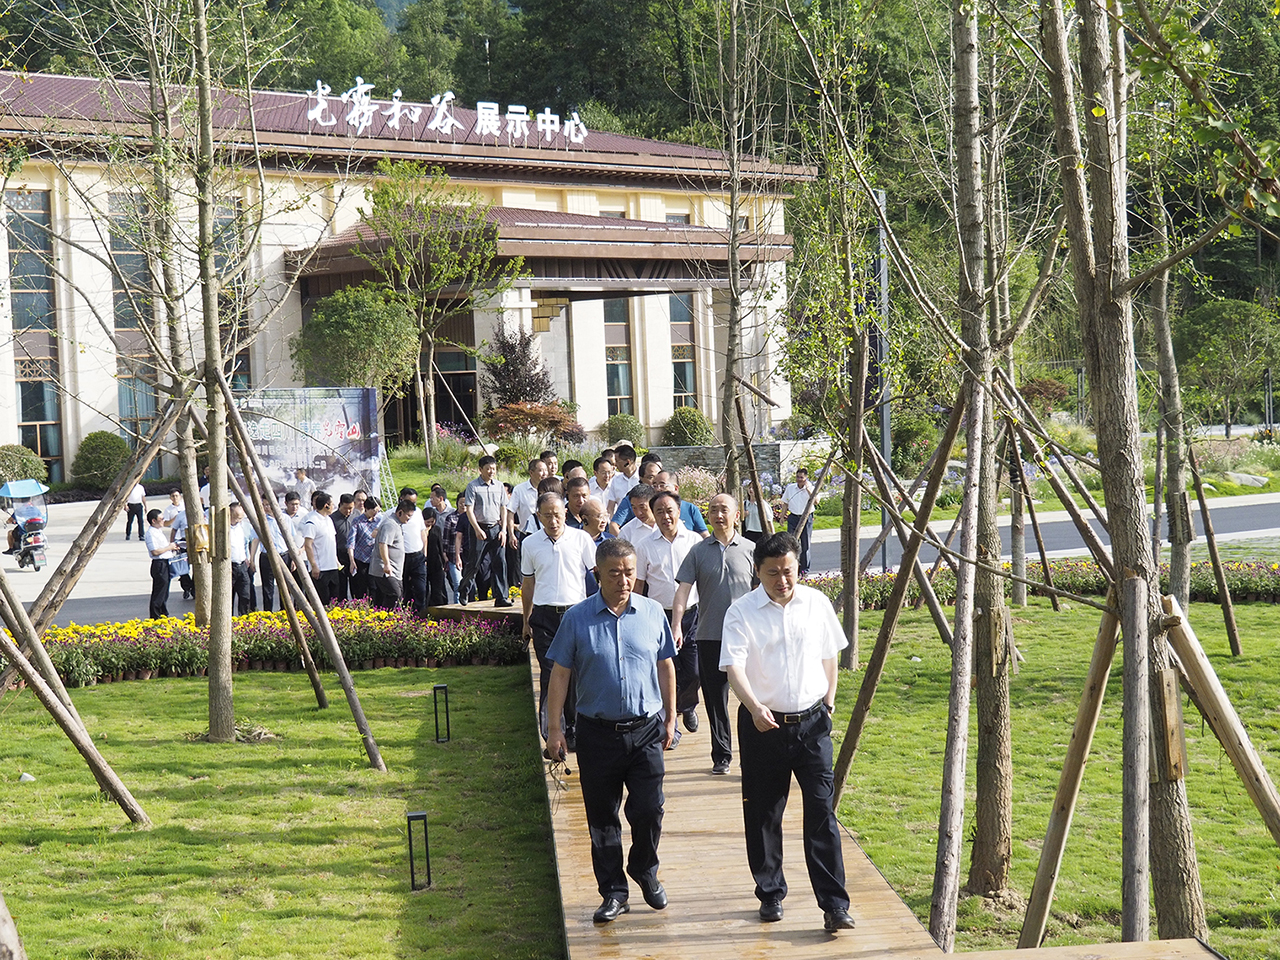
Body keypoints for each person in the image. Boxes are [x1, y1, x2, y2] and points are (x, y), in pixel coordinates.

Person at [719, 531, 855, 932]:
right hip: (764, 725)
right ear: (758, 572)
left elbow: (829, 654)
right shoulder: (741, 612)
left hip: (813, 725)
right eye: (773, 573)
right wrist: (753, 706)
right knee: (764, 812)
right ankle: (770, 892)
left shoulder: (816, 603)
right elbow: (733, 666)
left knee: (821, 811)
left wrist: (829, 700)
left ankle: (834, 905)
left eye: (789, 571)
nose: (782, 580)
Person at [544, 538, 677, 925]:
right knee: (602, 818)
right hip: (597, 733)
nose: (623, 580)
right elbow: (560, 675)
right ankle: (614, 892)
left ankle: (644, 868)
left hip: (646, 729)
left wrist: (671, 717)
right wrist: (554, 729)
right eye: (615, 573)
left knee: (650, 809)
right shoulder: (577, 618)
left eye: (629, 572)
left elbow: (666, 665)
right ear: (597, 574)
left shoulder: (652, 612)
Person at [671, 494, 755, 775]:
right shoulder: (697, 551)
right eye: (713, 510)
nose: (719, 515)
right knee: (715, 699)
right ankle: (721, 756)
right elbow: (683, 591)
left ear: (737, 515)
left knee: (751, 697)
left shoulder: (752, 550)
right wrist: (677, 624)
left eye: (724, 510)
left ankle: (753, 755)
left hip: (746, 638)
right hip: (709, 635)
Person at [521, 492, 597, 751]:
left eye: (557, 515)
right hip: (544, 617)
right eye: (547, 516)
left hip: (576, 614)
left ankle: (573, 728)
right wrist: (526, 620)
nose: (553, 521)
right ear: (538, 516)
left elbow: (597, 573)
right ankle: (551, 732)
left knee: (574, 673)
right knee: (550, 672)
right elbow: (528, 583)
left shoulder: (581, 539)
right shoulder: (530, 544)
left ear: (565, 513)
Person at [634, 491, 704, 742]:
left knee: (694, 670)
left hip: (692, 614)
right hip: (659, 616)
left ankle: (687, 705)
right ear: (653, 514)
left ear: (679, 511)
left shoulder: (695, 541)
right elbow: (639, 584)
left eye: (669, 510)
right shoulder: (645, 546)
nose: (665, 516)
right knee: (665, 668)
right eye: (659, 512)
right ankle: (669, 723)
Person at [460, 456, 511, 606]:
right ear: (480, 469)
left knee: (500, 562)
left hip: (496, 528)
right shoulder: (473, 486)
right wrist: (476, 529)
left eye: (493, 468)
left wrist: (503, 530)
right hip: (479, 529)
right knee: (474, 563)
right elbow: (469, 510)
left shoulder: (499, 486)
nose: (491, 471)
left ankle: (501, 597)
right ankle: (464, 590)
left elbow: (503, 508)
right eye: (488, 468)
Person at [369, 498, 413, 609]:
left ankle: (387, 616)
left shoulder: (397, 524)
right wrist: (386, 564)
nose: (409, 519)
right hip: (385, 569)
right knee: (394, 595)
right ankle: (386, 617)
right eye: (408, 515)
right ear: (400, 512)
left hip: (395, 570)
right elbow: (383, 544)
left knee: (397, 596)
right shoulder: (390, 525)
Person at [302, 492, 342, 604]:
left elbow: (331, 542)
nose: (334, 506)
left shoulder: (329, 520)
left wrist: (336, 560)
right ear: (326, 506)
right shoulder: (312, 522)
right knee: (322, 601)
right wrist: (314, 566)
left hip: (332, 566)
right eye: (332, 504)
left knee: (334, 600)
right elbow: (308, 545)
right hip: (320, 569)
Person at [609, 459, 663, 530]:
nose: (656, 481)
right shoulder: (632, 498)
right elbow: (614, 525)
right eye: (651, 477)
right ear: (641, 478)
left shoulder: (669, 499)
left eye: (659, 477)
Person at [782, 468, 818, 575]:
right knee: (792, 543)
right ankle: (793, 567)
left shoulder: (811, 488)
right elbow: (785, 502)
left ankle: (804, 570)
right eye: (797, 477)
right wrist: (782, 516)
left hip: (806, 517)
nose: (799, 479)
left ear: (806, 478)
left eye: (801, 477)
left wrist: (808, 490)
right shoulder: (790, 488)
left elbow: (816, 501)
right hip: (793, 517)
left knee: (805, 544)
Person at [145, 508, 178, 618]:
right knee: (159, 591)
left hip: (166, 562)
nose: (163, 521)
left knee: (165, 591)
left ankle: (163, 613)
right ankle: (155, 615)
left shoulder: (158, 531)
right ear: (153, 521)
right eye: (161, 519)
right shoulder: (151, 533)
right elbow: (154, 551)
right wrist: (169, 547)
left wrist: (172, 548)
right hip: (159, 564)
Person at [350, 496, 382, 600]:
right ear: (367, 508)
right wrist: (352, 561)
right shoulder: (357, 521)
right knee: (361, 587)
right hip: (361, 558)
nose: (376, 513)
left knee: (374, 587)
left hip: (375, 559)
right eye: (374, 511)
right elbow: (351, 542)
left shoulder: (380, 520)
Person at [228, 502, 253, 616]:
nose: (239, 520)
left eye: (241, 517)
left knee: (245, 595)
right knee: (229, 596)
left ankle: (243, 617)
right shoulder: (223, 528)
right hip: (230, 566)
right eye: (237, 517)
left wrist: (248, 557)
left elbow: (248, 542)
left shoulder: (243, 526)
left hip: (242, 564)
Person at [332, 493, 356, 602]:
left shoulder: (355, 517)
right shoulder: (332, 519)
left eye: (351, 508)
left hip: (353, 555)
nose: (348, 511)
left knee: (355, 584)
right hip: (338, 554)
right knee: (341, 584)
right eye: (346, 508)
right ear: (340, 505)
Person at [423, 505, 449, 607]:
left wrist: (443, 560)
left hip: (436, 561)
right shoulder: (419, 531)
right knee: (424, 588)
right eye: (427, 522)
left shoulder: (436, 529)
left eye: (432, 521)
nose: (429, 524)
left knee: (438, 587)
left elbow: (440, 545)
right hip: (424, 561)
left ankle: (439, 605)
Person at [606, 443, 639, 515]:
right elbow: (610, 508)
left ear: (627, 462)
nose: (615, 464)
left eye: (617, 461)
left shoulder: (643, 477)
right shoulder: (615, 480)